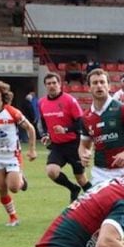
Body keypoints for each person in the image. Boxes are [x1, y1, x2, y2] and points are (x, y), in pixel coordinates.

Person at [0, 80, 37, 227]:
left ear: (2, 95)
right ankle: (13, 217)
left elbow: (30, 129)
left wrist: (32, 149)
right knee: (1, 188)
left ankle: (22, 180)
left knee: (14, 188)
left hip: (12, 156)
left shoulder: (11, 111)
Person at [79, 69, 124, 188]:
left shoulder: (121, 109)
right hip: (99, 172)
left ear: (109, 86)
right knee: (99, 206)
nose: (99, 86)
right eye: (95, 83)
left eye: (102, 82)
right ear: (89, 88)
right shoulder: (86, 117)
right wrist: (83, 154)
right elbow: (84, 145)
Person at [37, 71, 92, 202]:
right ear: (45, 86)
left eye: (54, 83)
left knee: (81, 179)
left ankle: (95, 200)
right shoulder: (41, 102)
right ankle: (73, 188)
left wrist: (65, 129)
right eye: (48, 83)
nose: (52, 86)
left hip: (74, 144)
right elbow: (44, 122)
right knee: (52, 171)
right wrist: (46, 134)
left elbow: (80, 123)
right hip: (57, 146)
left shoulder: (69, 100)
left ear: (60, 84)